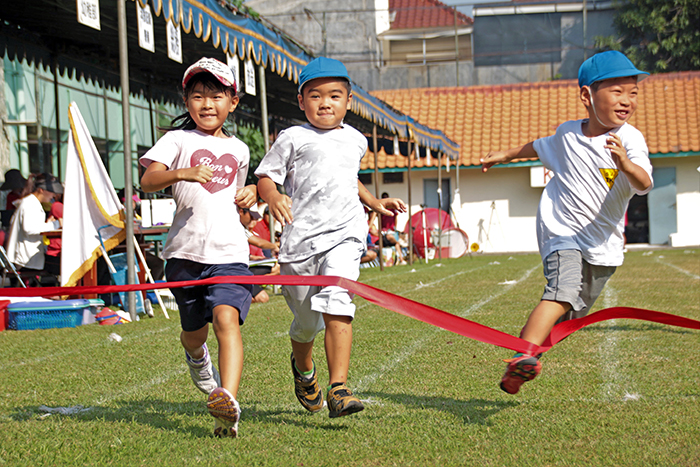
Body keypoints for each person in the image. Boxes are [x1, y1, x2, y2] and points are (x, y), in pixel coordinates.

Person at [480, 50, 654, 395]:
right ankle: (523, 353)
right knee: (561, 292)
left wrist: (625, 164)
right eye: (617, 92)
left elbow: (645, 183)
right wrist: (506, 155)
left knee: (570, 316)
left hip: (602, 244)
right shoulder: (567, 135)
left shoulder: (629, 139)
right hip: (562, 231)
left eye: (633, 93)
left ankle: (522, 366)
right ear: (587, 96)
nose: (627, 101)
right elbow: (538, 146)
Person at [256, 57, 407, 418]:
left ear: (348, 100)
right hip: (300, 244)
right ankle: (304, 370)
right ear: (300, 100)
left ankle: (339, 387)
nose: (325, 102)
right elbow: (266, 176)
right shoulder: (292, 137)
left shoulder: (355, 139)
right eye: (315, 95)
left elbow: (346, 178)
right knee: (307, 322)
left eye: (335, 95)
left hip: (345, 235)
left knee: (339, 302)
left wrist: (373, 201)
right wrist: (274, 196)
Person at [140, 57, 256, 438]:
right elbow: (147, 180)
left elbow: (236, 202)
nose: (207, 104)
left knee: (226, 319)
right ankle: (196, 358)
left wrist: (249, 199)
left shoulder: (240, 150)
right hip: (185, 255)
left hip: (231, 253)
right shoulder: (178, 140)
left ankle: (228, 402)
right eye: (198, 95)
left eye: (216, 95)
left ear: (233, 102)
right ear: (186, 101)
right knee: (194, 332)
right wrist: (181, 172)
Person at [5, 173, 63, 282]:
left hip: (29, 256)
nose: (53, 195)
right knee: (65, 264)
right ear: (41, 190)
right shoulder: (30, 204)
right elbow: (30, 229)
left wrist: (48, 224)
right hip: (26, 259)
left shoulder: (30, 202)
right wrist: (56, 224)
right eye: (51, 192)